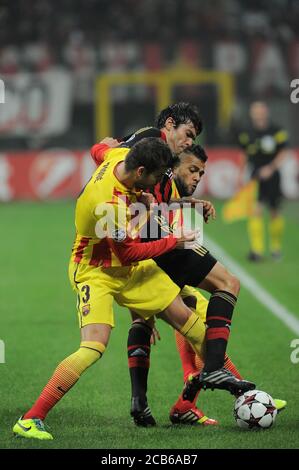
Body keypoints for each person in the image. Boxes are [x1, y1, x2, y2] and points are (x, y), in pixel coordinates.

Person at [12, 137, 210, 440]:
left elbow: (98, 149)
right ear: (141, 170)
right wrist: (175, 241)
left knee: (193, 324)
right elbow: (128, 252)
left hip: (129, 270)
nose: (158, 184)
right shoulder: (109, 203)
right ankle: (31, 418)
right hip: (96, 271)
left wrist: (140, 196)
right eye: (156, 177)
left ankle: (239, 393)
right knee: (93, 347)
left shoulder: (120, 156)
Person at [91, 103, 256, 427]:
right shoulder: (150, 139)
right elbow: (108, 157)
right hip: (145, 234)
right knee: (226, 284)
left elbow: (153, 195)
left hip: (135, 237)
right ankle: (213, 374)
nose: (187, 142)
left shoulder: (162, 162)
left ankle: (147, 402)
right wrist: (102, 148)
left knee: (152, 317)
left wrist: (190, 203)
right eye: (187, 134)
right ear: (169, 124)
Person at [237, 101, 289, 261]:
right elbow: (244, 154)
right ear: (252, 113)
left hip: (273, 175)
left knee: (274, 211)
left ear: (266, 112)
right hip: (255, 174)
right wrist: (241, 174)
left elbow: (283, 153)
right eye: (255, 111)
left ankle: (276, 249)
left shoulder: (277, 131)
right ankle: (257, 251)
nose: (258, 113)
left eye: (261, 110)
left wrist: (271, 168)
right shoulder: (246, 132)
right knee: (256, 210)